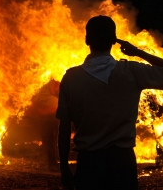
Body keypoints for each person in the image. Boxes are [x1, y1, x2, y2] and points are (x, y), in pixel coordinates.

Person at [56, 15, 163, 190]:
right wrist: (137, 52)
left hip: (89, 164)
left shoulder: (71, 78)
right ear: (114, 41)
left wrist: (64, 168)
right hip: (122, 162)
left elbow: (64, 128)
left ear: (87, 40)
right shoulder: (132, 71)